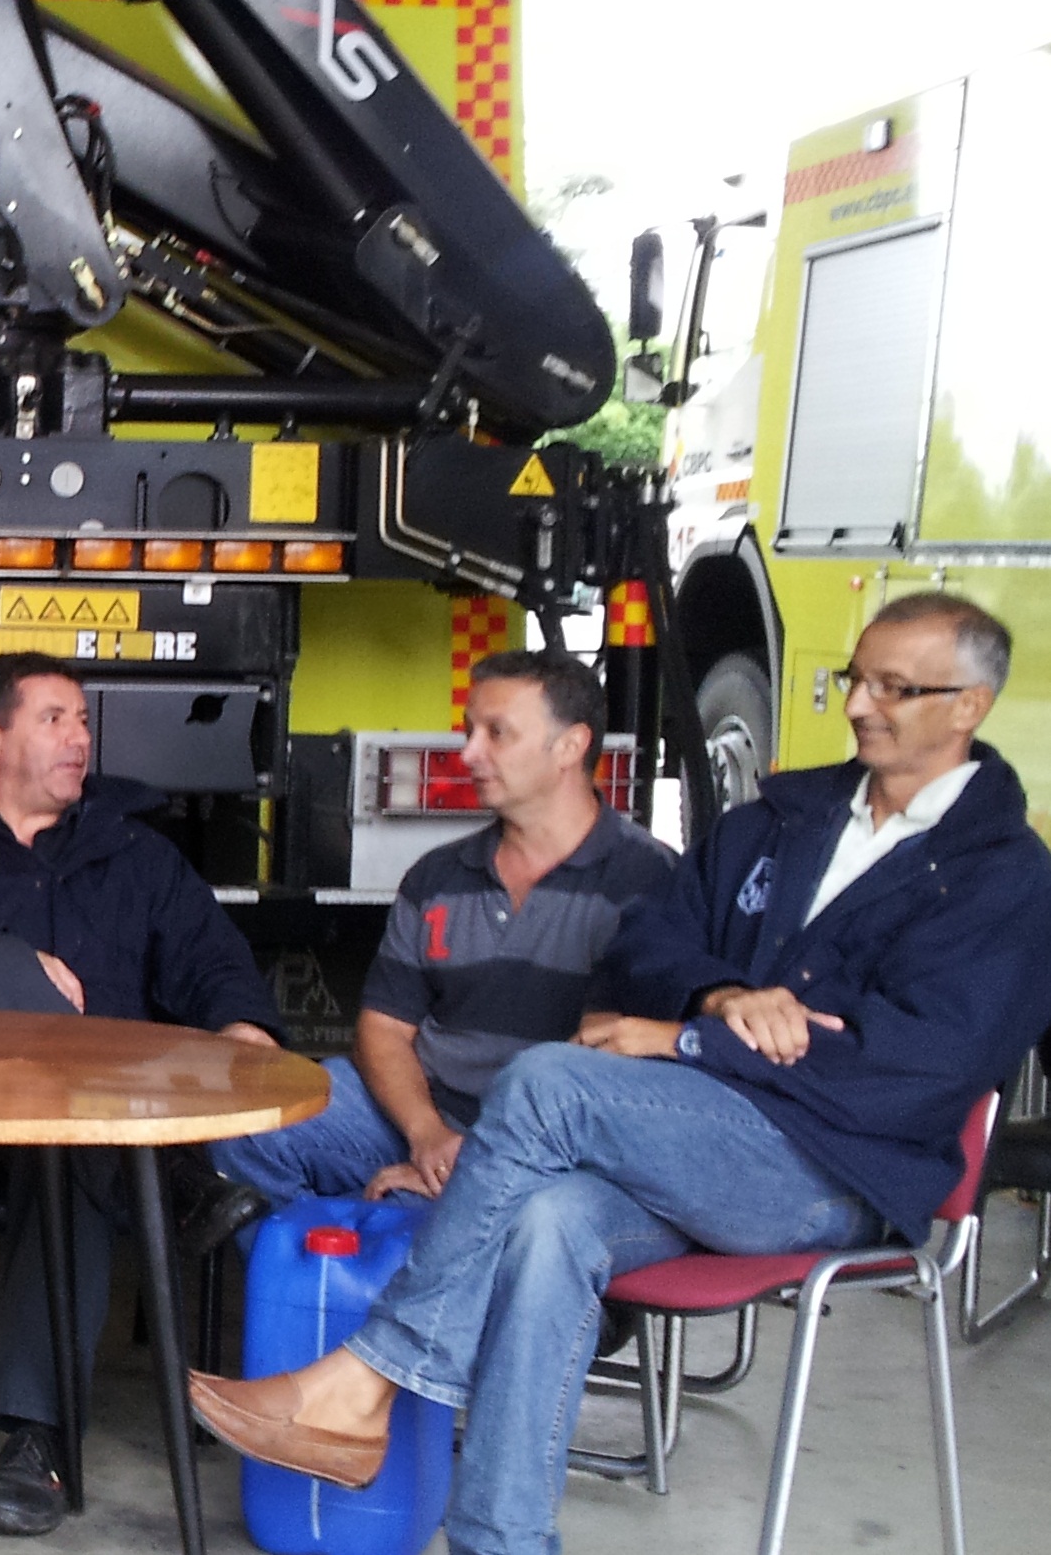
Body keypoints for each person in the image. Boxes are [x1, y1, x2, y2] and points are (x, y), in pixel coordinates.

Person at [190, 593, 1051, 1555]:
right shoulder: (780, 819)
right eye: (855, 678)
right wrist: (725, 994)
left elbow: (919, 1069)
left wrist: (690, 1042)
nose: (857, 704)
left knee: (549, 1081)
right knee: (550, 1223)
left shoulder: (1004, 876)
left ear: (970, 704)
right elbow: (651, 943)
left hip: (828, 1171)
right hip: (687, 1143)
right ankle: (503, 1542)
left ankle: (369, 1377)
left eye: (894, 687)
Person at [0, 650, 283, 1537]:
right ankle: (171, 1184)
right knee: (4, 971)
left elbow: (211, 954)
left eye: (82, 720)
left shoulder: (132, 852)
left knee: (68, 1144)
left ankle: (37, 1443)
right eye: (55, 719)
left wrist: (244, 1026)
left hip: (78, 1135)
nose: (80, 737)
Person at [209, 648, 674, 1209]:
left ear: (570, 747)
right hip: (417, 1118)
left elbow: (606, 1081)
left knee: (453, 1213)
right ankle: (334, 1252)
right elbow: (383, 1029)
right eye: (469, 731)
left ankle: (409, 1230)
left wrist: (472, 1166)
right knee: (246, 1124)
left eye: (496, 733)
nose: (469, 753)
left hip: (552, 1151)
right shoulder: (437, 876)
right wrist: (426, 1135)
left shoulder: (648, 881)